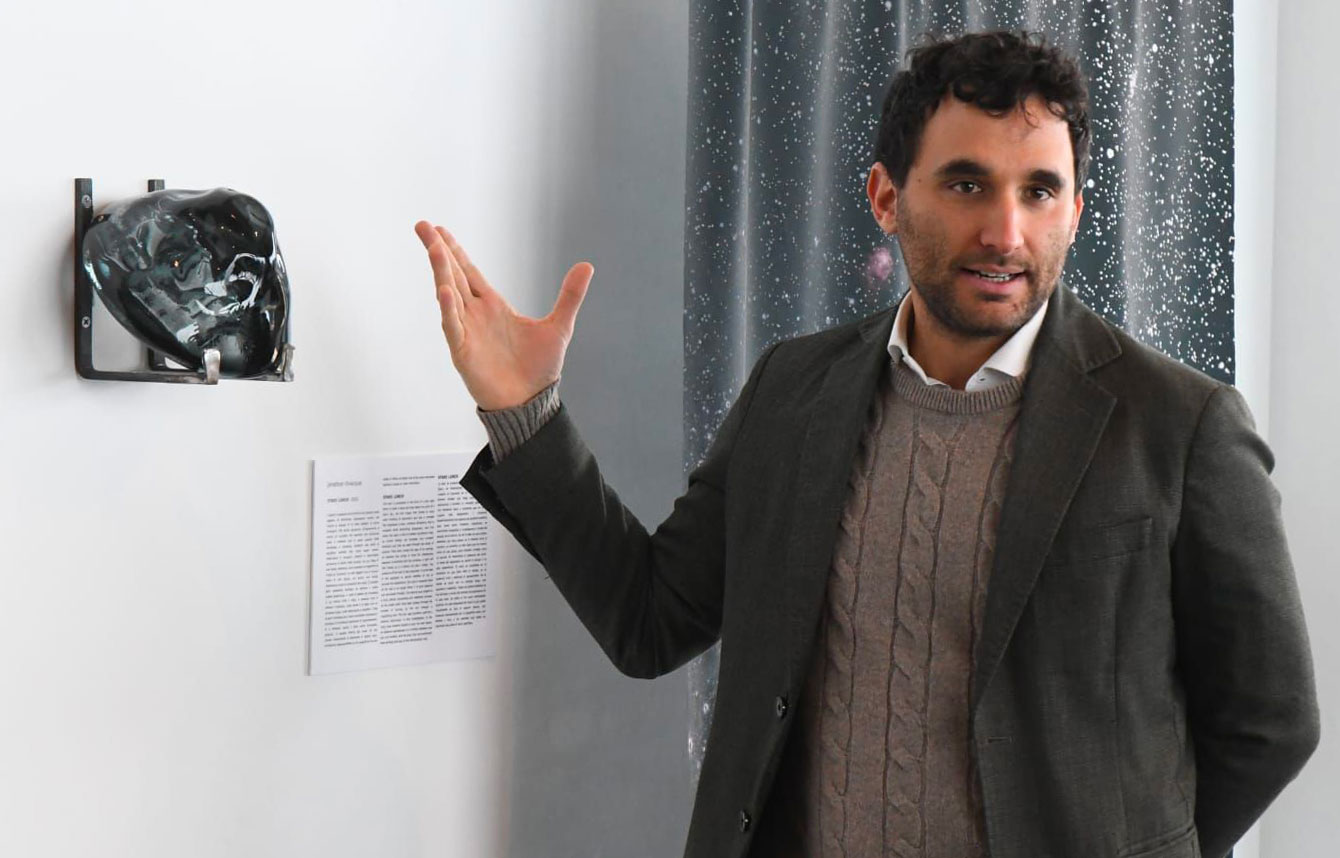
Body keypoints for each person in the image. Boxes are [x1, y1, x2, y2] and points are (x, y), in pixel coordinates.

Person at [415, 30, 1318, 858]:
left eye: (1039, 191)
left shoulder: (1181, 425)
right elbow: (650, 618)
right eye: (966, 184)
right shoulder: (793, 391)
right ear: (887, 197)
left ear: (1076, 211)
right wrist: (525, 411)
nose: (1006, 232)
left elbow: (1270, 722)